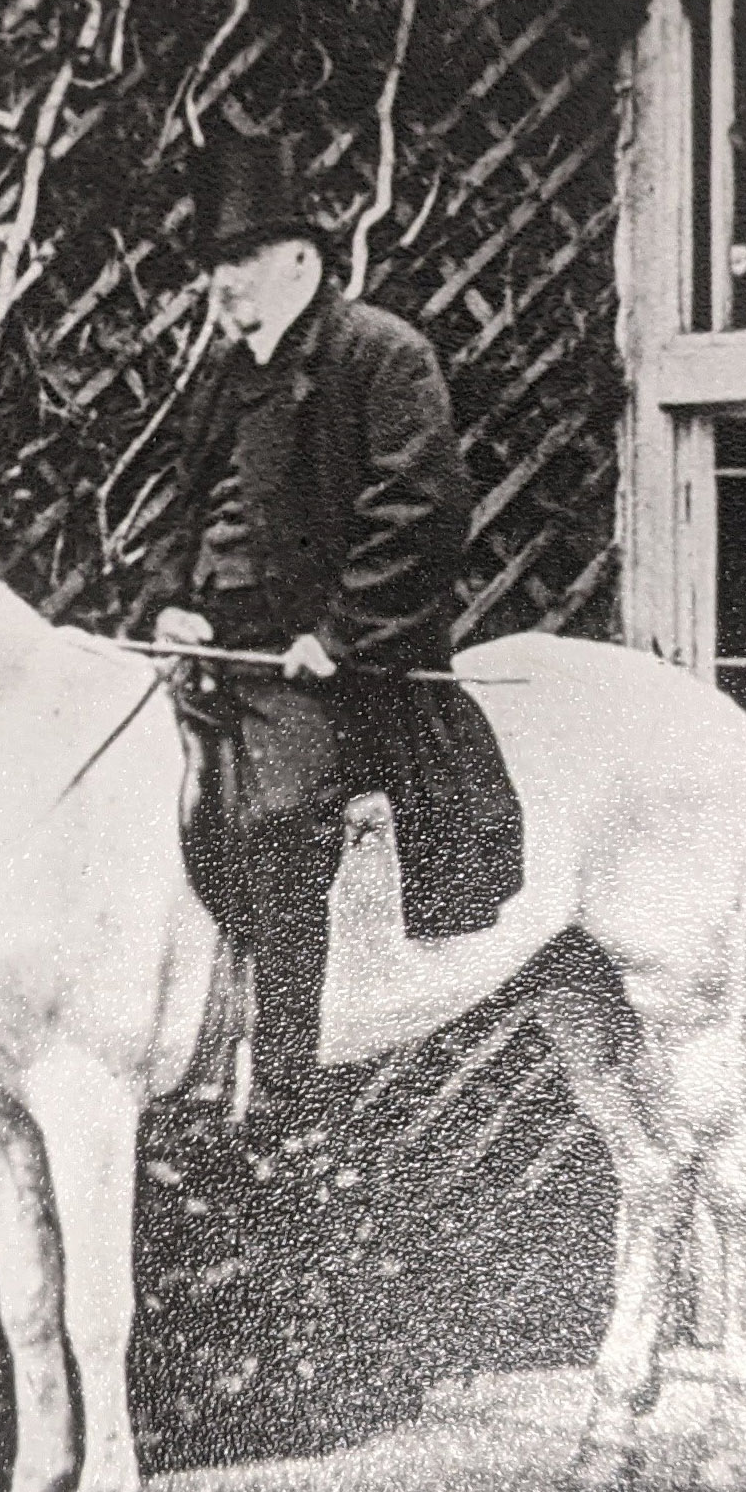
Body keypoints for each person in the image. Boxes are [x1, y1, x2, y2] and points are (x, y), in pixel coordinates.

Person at [141, 133, 524, 1094]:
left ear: (301, 260)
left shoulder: (380, 357)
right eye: (213, 266)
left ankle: (283, 1081)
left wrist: (339, 638)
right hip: (218, 655)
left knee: (283, 807)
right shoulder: (224, 378)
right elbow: (183, 512)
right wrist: (174, 603)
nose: (220, 285)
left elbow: (420, 509)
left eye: (239, 261)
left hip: (327, 662)